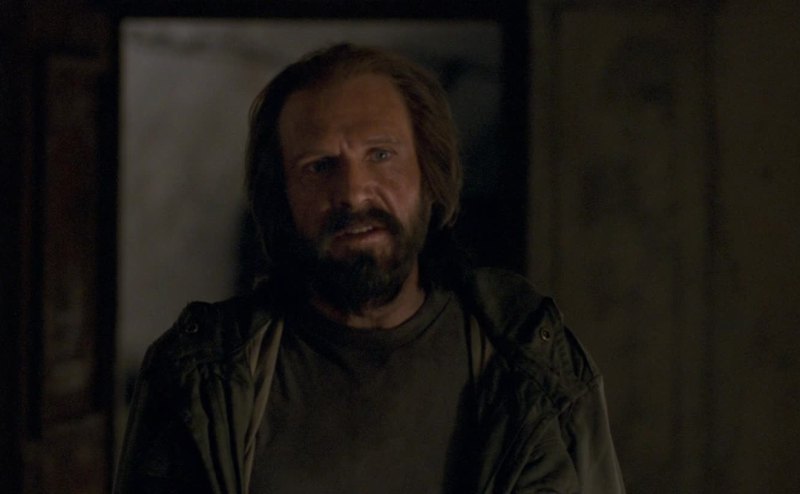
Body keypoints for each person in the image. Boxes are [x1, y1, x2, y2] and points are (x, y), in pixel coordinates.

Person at [114, 43, 624, 494]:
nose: (354, 194)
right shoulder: (201, 378)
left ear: (428, 174)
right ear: (282, 196)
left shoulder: (533, 366)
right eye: (319, 166)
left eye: (381, 154)